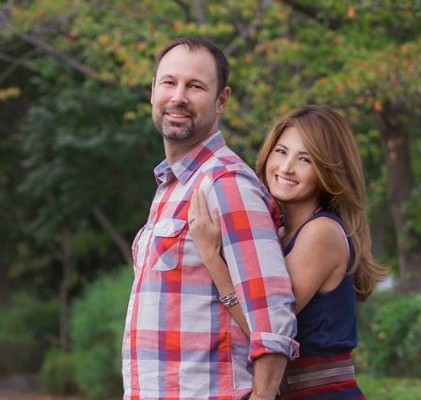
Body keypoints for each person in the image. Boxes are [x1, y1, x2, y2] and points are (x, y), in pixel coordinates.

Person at [122, 37, 299, 400]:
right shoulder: (172, 187)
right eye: (169, 82)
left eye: (195, 86)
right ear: (153, 91)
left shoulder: (226, 184)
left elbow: (271, 318)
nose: (178, 97)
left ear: (222, 100)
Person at [188, 105, 390, 399]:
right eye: (281, 152)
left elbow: (265, 328)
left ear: (329, 170)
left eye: (305, 159)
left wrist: (210, 255)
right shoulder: (279, 232)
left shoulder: (321, 233)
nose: (286, 167)